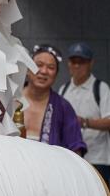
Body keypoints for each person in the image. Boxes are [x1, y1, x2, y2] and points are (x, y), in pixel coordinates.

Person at [59, 42, 110, 186]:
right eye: (74, 61)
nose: (77, 66)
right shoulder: (64, 89)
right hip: (72, 159)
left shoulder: (100, 88)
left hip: (98, 158)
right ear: (68, 64)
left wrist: (85, 122)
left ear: (91, 63)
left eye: (82, 62)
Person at [22, 44, 86, 154]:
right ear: (28, 70)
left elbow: (76, 148)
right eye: (39, 65)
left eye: (51, 67)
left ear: (56, 75)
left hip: (50, 169)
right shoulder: (11, 100)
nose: (44, 71)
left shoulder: (63, 107)